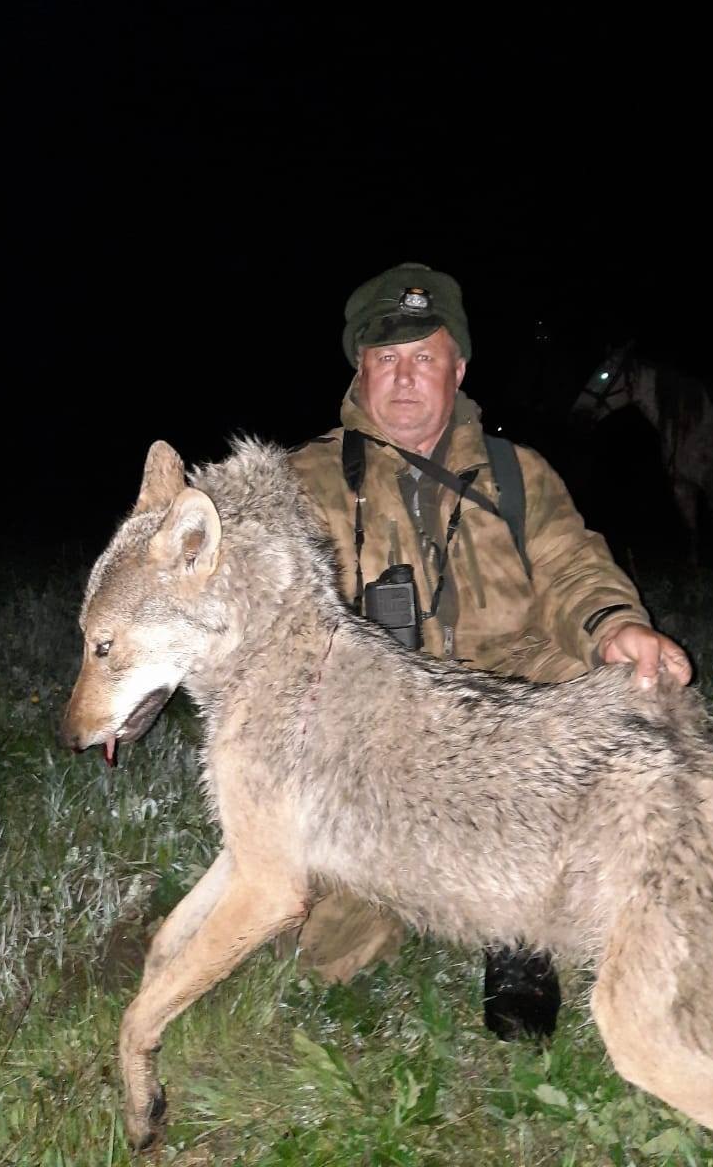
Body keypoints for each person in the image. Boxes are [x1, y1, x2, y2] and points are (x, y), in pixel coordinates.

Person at [287, 262, 692, 1039]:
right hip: (382, 735)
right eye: (386, 361)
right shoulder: (304, 482)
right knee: (330, 949)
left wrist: (615, 627)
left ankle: (522, 934)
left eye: (425, 359)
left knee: (626, 704)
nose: (405, 381)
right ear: (361, 371)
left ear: (458, 368)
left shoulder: (517, 473)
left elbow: (575, 566)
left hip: (515, 714)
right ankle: (415, 879)